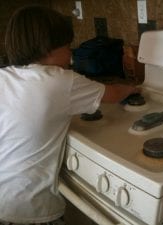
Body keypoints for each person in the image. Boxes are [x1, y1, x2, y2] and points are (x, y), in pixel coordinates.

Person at [0, 5, 138, 225]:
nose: (71, 54)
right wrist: (133, 87)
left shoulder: (4, 76)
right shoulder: (60, 80)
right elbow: (112, 95)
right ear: (48, 49)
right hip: (30, 209)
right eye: (67, 47)